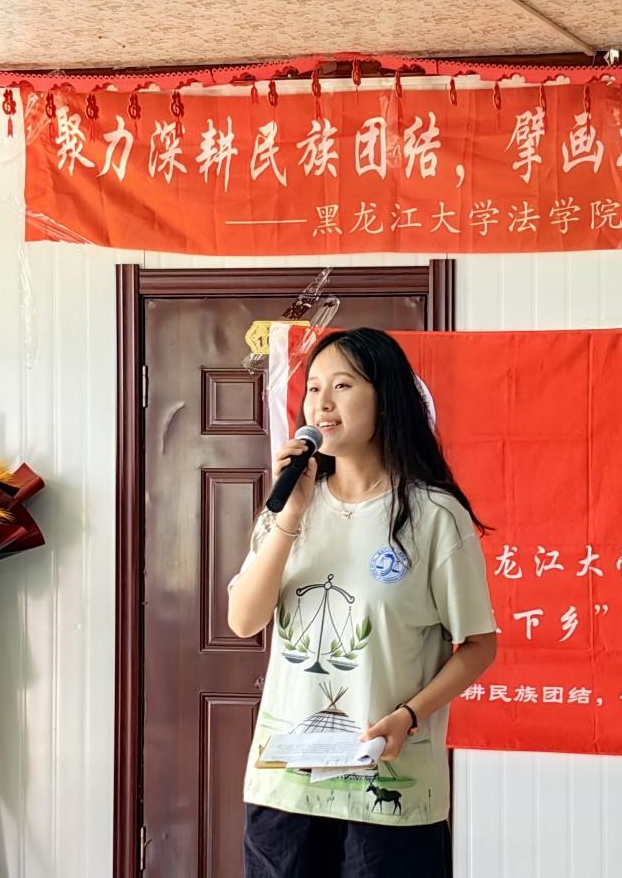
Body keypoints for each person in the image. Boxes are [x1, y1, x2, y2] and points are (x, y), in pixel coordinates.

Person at [227, 327, 498, 878]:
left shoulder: (434, 516)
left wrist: (409, 717)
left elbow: (478, 645)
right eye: (314, 388)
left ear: (386, 399)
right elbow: (243, 620)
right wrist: (290, 517)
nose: (322, 402)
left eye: (343, 385)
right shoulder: (289, 508)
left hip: (390, 790)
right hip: (286, 790)